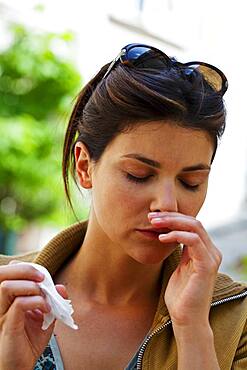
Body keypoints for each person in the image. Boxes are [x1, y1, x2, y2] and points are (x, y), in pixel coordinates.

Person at [0, 43, 246, 370]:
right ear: (85, 167)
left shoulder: (237, 320)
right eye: (138, 175)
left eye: (191, 182)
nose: (167, 205)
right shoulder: (6, 294)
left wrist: (193, 329)